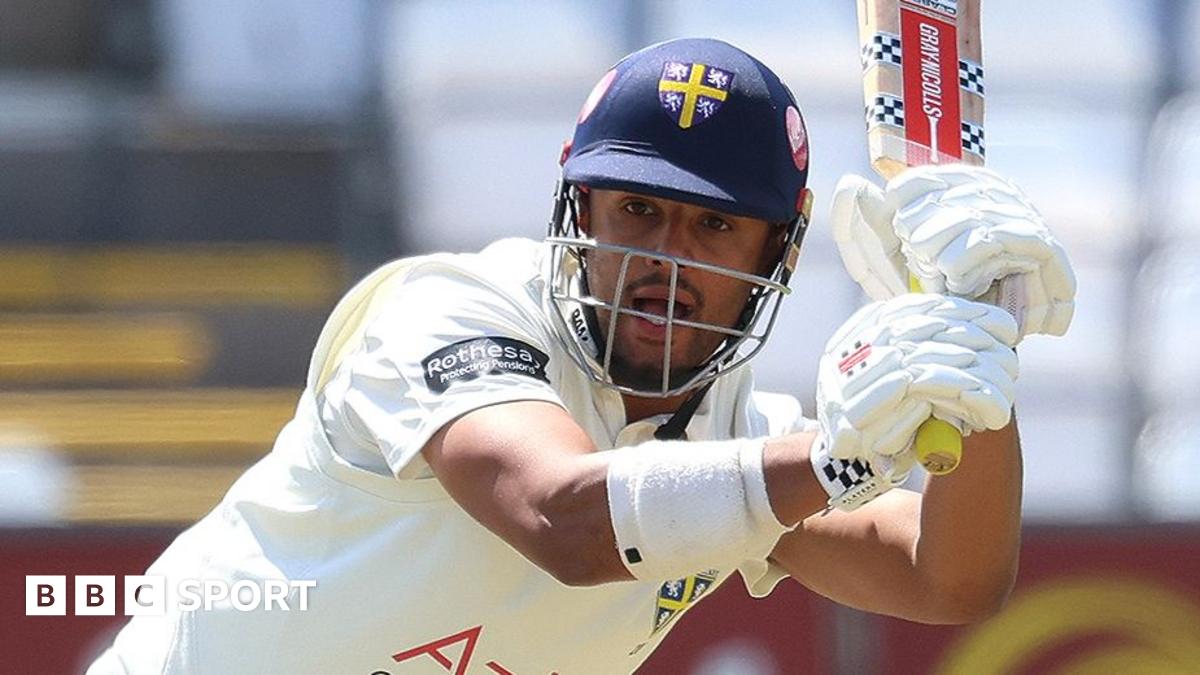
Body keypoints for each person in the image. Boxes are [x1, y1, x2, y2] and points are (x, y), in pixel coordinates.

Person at [88, 37, 1075, 674]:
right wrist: (835, 465)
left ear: (778, 248)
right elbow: (563, 519)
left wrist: (975, 356)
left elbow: (947, 579)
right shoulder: (443, 314)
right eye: (637, 209)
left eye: (714, 228)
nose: (664, 258)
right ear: (577, 209)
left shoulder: (741, 441)